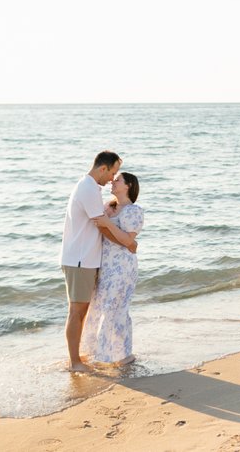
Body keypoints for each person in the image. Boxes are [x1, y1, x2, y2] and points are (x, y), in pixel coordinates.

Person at [59, 151, 137, 373]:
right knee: (76, 310)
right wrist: (126, 243)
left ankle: (79, 357)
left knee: (83, 310)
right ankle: (75, 362)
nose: (112, 178)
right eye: (112, 172)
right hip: (79, 259)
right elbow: (101, 225)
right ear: (103, 168)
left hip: (87, 260)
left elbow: (103, 223)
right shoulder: (88, 188)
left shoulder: (92, 188)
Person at [81, 171, 144, 366]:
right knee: (98, 306)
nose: (113, 182)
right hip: (105, 264)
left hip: (123, 266)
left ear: (128, 186)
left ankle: (121, 355)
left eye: (118, 180)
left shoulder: (134, 211)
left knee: (116, 309)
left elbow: (127, 240)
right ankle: (93, 353)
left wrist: (108, 223)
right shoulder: (109, 206)